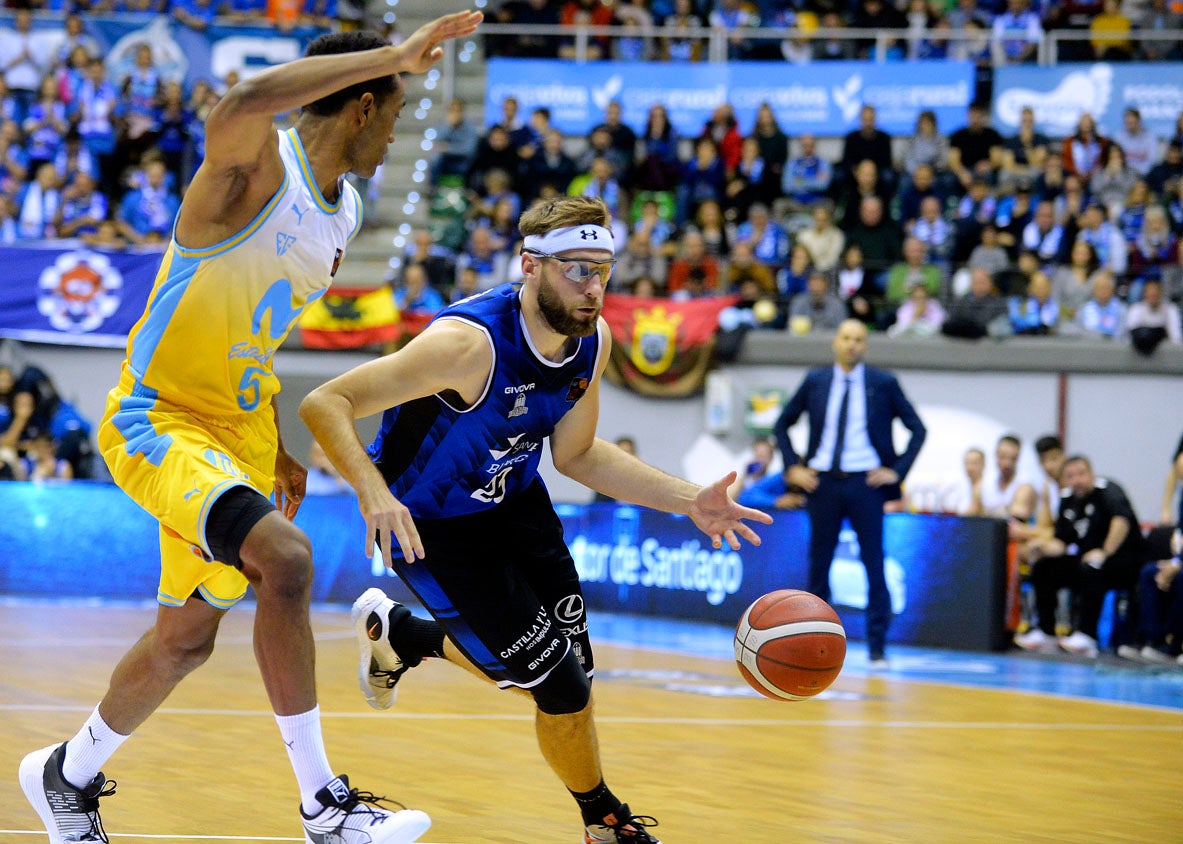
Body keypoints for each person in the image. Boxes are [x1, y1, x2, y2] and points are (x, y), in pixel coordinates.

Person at [18, 13, 482, 844]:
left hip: (235, 436)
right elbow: (241, 97)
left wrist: (272, 440)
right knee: (289, 561)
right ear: (362, 108)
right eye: (398, 108)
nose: (397, 132)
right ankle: (323, 808)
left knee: (184, 641)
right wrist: (397, 52)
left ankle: (66, 773)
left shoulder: (342, 215)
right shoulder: (255, 170)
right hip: (155, 419)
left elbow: (250, 329)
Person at [298, 195, 771, 844]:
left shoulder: (591, 341)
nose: (593, 287)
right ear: (530, 265)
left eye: (602, 270)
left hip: (518, 507)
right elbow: (327, 402)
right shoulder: (466, 346)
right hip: (434, 525)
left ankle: (405, 636)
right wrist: (373, 491)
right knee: (559, 687)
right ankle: (606, 823)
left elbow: (576, 456)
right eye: (577, 269)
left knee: (571, 682)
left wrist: (689, 500)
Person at [772, 319, 927, 666]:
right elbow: (782, 423)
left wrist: (896, 471)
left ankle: (877, 646)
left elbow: (918, 429)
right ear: (835, 343)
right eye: (846, 338)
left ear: (866, 346)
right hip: (822, 481)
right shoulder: (817, 380)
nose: (852, 344)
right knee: (819, 564)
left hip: (865, 484)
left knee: (874, 561)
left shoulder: (882, 383)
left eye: (859, 339)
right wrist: (792, 466)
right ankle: (810, 643)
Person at [1016, 455, 1144, 658]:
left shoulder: (1108, 490)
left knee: (1092, 567)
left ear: (1091, 474)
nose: (1077, 480)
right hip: (1085, 561)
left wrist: (1104, 552)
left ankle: (1087, 636)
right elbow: (1061, 542)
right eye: (1071, 476)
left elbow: (1121, 521)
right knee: (1044, 567)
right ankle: (1046, 632)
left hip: (1122, 561)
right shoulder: (1068, 499)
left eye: (1081, 474)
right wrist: (1041, 547)